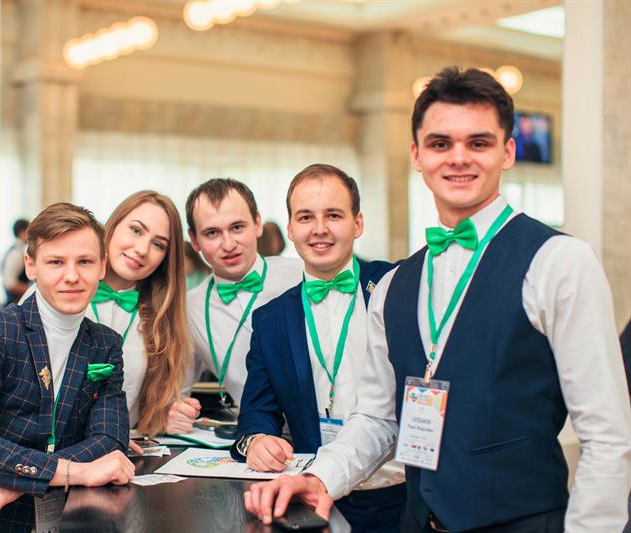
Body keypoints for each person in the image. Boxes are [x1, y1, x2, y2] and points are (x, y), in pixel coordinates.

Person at [245, 66, 631, 532]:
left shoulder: (561, 261)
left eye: (479, 142)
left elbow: (606, 437)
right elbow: (378, 419)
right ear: (417, 154)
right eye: (441, 143)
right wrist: (318, 477)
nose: (458, 158)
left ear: (508, 151)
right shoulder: (394, 285)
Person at [0, 203, 135, 531]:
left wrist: (17, 482)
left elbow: (110, 439)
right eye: (56, 262)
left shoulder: (105, 343)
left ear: (102, 266)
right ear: (31, 266)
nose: (72, 276)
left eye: (85, 261)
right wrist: (75, 471)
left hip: (63, 518)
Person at [233, 164, 406, 532]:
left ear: (358, 223)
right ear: (291, 228)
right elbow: (256, 413)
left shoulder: (397, 286)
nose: (319, 229)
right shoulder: (271, 319)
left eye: (334, 215)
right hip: (313, 500)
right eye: (306, 217)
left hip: (403, 498)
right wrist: (258, 440)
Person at [23, 191, 194, 440]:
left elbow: (148, 410)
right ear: (112, 227)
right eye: (136, 230)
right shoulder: (51, 293)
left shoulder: (163, 320)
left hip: (122, 451)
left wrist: (167, 415)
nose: (142, 249)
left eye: (158, 244)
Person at [178, 179, 303, 429]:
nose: (228, 244)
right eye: (212, 233)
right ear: (194, 239)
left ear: (257, 224)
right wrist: (174, 411)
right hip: (254, 434)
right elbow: (177, 392)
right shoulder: (190, 308)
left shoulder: (302, 275)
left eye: (237, 227)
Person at [1, 218, 30, 306]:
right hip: (13, 304)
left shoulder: (18, 250)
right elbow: (10, 284)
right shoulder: (15, 253)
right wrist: (33, 290)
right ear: (22, 232)